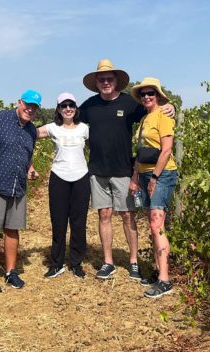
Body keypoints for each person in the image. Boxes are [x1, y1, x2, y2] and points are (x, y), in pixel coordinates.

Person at [79, 59, 175, 280]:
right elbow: (67, 119)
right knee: (104, 214)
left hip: (124, 169)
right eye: (101, 79)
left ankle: (133, 261)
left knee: (127, 215)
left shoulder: (130, 104)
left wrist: (171, 106)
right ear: (97, 82)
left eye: (109, 79)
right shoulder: (89, 106)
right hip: (97, 169)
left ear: (116, 82)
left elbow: (155, 110)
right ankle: (108, 262)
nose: (105, 82)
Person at [0, 89, 42, 292]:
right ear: (19, 102)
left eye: (34, 107)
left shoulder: (32, 130)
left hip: (18, 187)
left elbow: (26, 154)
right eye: (27, 105)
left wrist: (30, 168)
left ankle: (10, 272)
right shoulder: (0, 118)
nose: (30, 110)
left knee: (12, 230)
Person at [129, 77, 178, 298]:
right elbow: (141, 152)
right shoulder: (145, 119)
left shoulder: (164, 117)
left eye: (151, 93)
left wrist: (155, 178)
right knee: (152, 222)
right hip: (146, 173)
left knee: (157, 222)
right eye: (143, 94)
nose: (147, 97)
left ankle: (165, 281)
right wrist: (135, 177)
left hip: (162, 173)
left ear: (158, 95)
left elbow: (167, 150)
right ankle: (159, 271)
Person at [36, 93, 90, 279]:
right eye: (64, 105)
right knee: (58, 222)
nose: (68, 109)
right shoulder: (52, 128)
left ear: (76, 108)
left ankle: (76, 263)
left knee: (79, 222)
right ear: (58, 109)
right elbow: (28, 134)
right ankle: (56, 263)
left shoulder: (84, 128)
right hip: (59, 177)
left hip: (81, 177)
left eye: (71, 105)